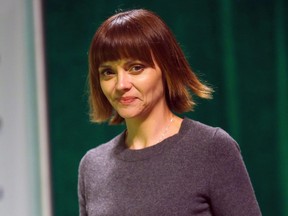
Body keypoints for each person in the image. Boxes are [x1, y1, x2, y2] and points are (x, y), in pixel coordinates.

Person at [78, 9, 261, 216]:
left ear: (167, 69)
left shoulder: (211, 148)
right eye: (108, 72)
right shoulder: (93, 165)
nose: (121, 84)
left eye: (136, 68)